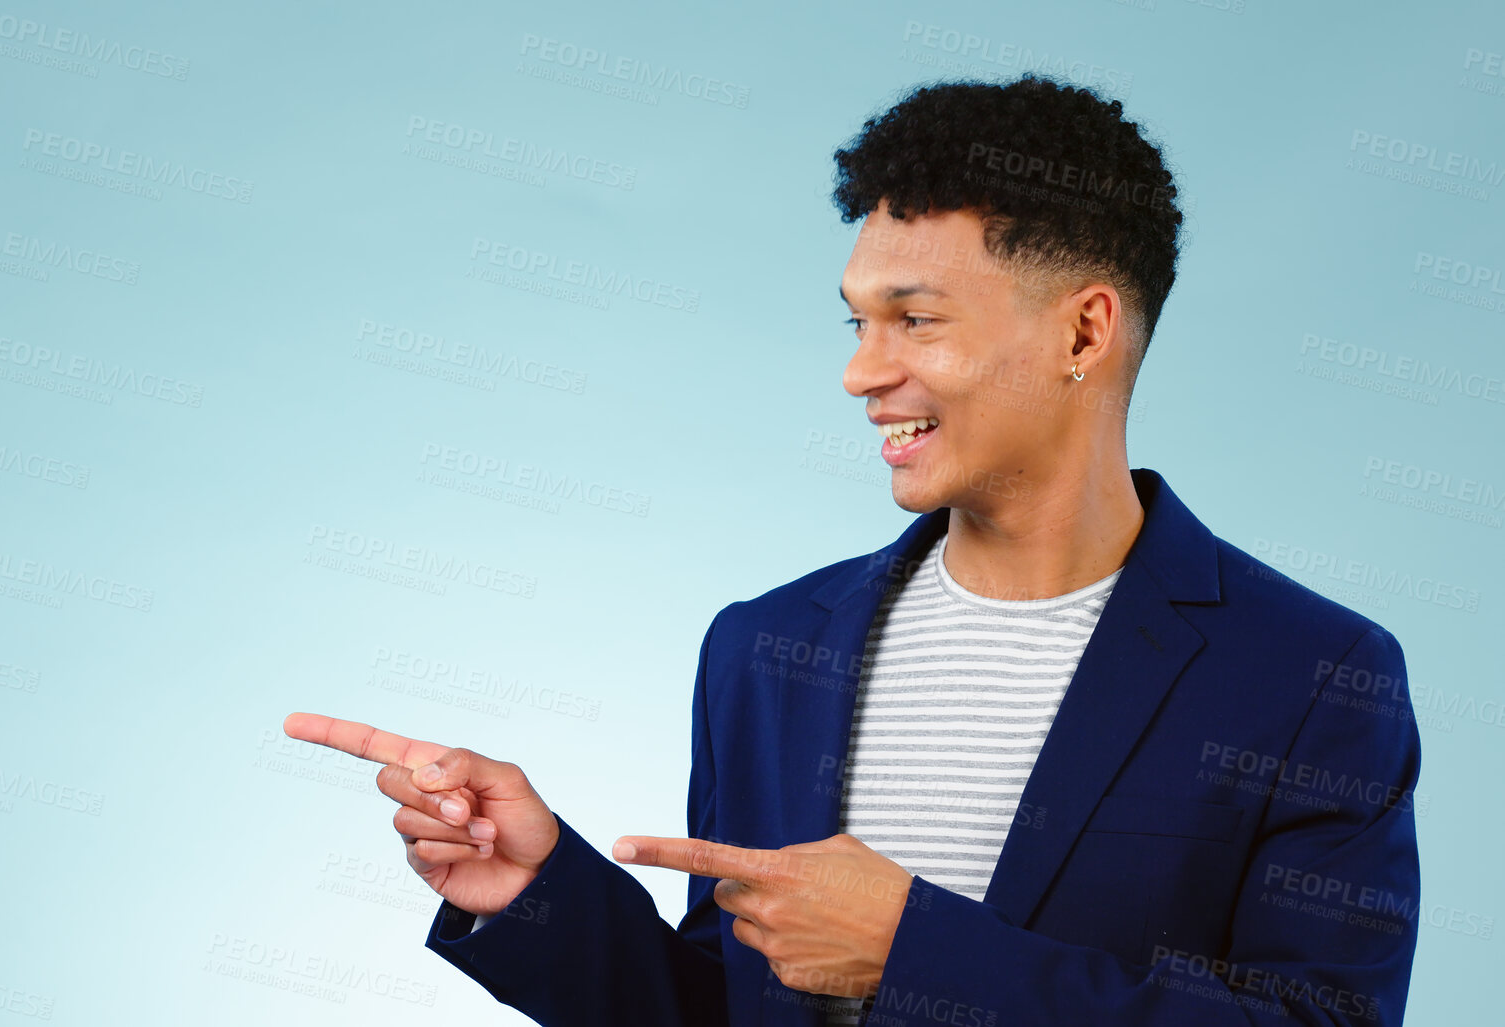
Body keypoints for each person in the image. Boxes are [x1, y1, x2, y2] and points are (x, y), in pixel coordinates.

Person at [284, 72, 1421, 1026]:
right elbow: (728, 1003)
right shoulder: (766, 646)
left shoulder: (1314, 676)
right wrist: (534, 891)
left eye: (915, 320)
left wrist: (914, 951)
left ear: (1084, 329)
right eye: (855, 321)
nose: (861, 372)